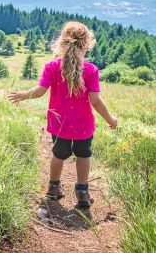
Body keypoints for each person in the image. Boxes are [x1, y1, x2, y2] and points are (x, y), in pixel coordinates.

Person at [7, 22, 119, 209]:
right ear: (86, 46)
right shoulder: (91, 70)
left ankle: (53, 189)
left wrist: (23, 95)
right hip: (83, 125)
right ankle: (82, 193)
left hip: (59, 124)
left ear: (62, 43)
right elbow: (96, 101)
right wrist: (111, 119)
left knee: (59, 155)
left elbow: (39, 91)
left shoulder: (52, 66)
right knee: (83, 156)